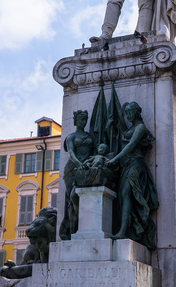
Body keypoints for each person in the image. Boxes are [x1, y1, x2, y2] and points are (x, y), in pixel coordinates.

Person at [106, 101, 159, 250]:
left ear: (137, 111)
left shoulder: (140, 127)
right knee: (123, 196)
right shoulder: (130, 128)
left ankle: (123, 231)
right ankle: (126, 229)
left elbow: (131, 145)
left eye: (131, 112)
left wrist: (115, 159)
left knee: (126, 192)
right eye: (127, 112)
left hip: (136, 164)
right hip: (127, 165)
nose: (129, 115)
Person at [59, 110, 95, 240]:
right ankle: (73, 230)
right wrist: (79, 163)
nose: (83, 122)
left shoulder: (90, 136)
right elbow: (71, 153)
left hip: (86, 169)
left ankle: (85, 227)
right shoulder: (71, 137)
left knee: (83, 198)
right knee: (72, 198)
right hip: (72, 169)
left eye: (85, 119)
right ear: (75, 121)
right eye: (81, 119)